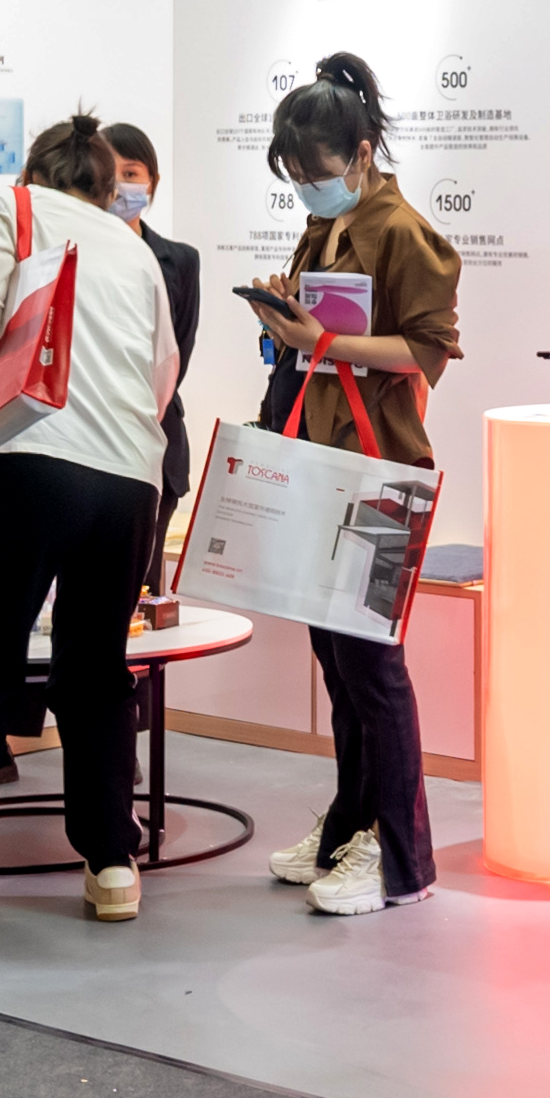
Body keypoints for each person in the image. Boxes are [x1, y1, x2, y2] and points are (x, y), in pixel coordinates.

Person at [0, 110, 180, 925]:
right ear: (103, 186)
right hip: (129, 479)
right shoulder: (133, 247)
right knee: (97, 672)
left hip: (26, 459)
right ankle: (112, 866)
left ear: (33, 173)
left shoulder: (8, 208)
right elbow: (162, 370)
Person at [244, 52, 458, 917]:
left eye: (316, 171)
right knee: (339, 666)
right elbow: (316, 340)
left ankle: (401, 860)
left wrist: (321, 342)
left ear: (362, 153)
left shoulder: (402, 232)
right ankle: (346, 830)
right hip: (318, 465)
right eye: (294, 176)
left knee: (374, 670)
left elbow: (427, 352)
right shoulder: (323, 228)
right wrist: (284, 317)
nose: (307, 187)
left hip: (380, 474)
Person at [100, 121, 201, 573]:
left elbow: (178, 351)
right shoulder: (71, 251)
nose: (120, 185)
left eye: (132, 173)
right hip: (87, 441)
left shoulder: (180, 260)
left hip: (156, 438)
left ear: (152, 182)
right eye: (109, 173)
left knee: (143, 585)